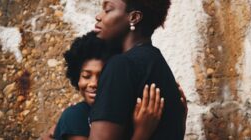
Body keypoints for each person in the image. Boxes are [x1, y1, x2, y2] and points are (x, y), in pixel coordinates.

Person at [41, 32, 186, 140]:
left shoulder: (120, 116)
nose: (93, 84)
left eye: (102, 76)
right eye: (86, 76)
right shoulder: (75, 116)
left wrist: (178, 120)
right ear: (77, 79)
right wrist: (142, 133)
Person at [90, 0, 186, 139]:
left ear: (134, 17)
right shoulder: (157, 63)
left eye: (108, 9)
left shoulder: (121, 66)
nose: (99, 16)